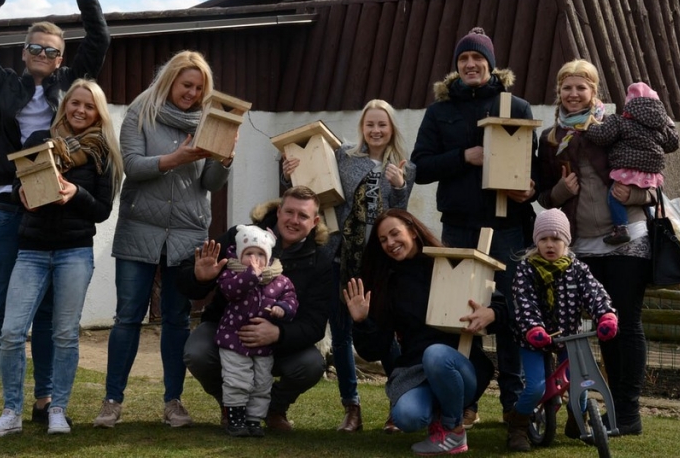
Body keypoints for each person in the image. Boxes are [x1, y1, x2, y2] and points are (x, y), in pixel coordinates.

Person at [0, 0, 110, 431]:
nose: (44, 56)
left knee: (48, 316)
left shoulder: (71, 89)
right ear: (24, 53)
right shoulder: (1, 84)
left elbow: (100, 38)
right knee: (0, 308)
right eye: (36, 49)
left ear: (62, 58)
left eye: (53, 50)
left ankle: (45, 402)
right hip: (9, 209)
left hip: (57, 216)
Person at [94, 50, 232, 429]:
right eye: (186, 84)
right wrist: (176, 157)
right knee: (127, 318)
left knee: (175, 319)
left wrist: (224, 160)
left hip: (187, 233)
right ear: (170, 80)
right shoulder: (141, 112)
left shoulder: (209, 121)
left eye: (199, 88)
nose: (192, 93)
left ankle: (173, 402)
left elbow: (209, 184)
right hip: (140, 229)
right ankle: (111, 402)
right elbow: (132, 167)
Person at [0, 80, 123, 437]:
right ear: (65, 106)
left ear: (98, 113)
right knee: (12, 332)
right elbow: (17, 185)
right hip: (31, 250)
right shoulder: (39, 141)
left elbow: (103, 211)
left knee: (64, 334)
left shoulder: (103, 153)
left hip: (75, 251)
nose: (80, 110)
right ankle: (12, 412)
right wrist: (22, 194)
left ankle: (57, 409)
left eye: (89, 107)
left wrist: (75, 192)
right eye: (75, 103)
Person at [411, 26, 537, 423]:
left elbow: (528, 169)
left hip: (507, 228)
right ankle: (466, 399)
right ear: (456, 67)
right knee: (459, 315)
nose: (470, 64)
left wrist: (528, 190)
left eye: (477, 59)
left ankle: (514, 409)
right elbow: (421, 167)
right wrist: (463, 157)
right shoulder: (440, 111)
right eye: (464, 59)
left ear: (490, 65)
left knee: (511, 315)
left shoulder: (514, 107)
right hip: (460, 229)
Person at [282, 98, 416, 432]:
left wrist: (399, 186)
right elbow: (315, 190)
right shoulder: (345, 157)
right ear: (362, 128)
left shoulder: (404, 167)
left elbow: (401, 216)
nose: (376, 130)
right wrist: (289, 176)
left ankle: (398, 404)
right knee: (341, 335)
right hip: (340, 258)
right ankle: (351, 408)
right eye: (370, 124)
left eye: (382, 124)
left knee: (385, 333)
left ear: (391, 128)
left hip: (379, 261)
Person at [536, 59, 654, 436]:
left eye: (580, 87)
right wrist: (558, 192)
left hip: (627, 238)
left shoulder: (618, 128)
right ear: (559, 92)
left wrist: (632, 192)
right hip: (582, 244)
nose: (573, 94)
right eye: (566, 88)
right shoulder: (551, 139)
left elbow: (653, 181)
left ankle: (628, 412)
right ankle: (602, 410)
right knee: (602, 327)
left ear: (594, 91)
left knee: (627, 324)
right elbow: (541, 193)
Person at [344, 209, 503, 456]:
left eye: (394, 234)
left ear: (412, 230)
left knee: (436, 354)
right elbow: (374, 348)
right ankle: (440, 416)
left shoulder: (450, 263)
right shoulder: (389, 283)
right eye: (383, 240)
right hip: (416, 370)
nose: (390, 243)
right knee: (407, 416)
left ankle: (453, 431)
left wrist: (492, 313)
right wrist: (362, 322)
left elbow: (502, 304)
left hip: (460, 367)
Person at [178, 186, 334, 432]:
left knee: (311, 364)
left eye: (302, 216)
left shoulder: (321, 261)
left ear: (314, 221)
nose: (294, 220)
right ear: (279, 210)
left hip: (280, 343)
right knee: (196, 352)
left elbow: (314, 324)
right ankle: (232, 407)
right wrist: (200, 278)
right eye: (289, 212)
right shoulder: (242, 236)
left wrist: (278, 333)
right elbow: (188, 279)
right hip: (227, 331)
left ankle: (274, 409)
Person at [508, 208, 618, 452]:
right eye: (544, 239)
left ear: (566, 242)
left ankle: (577, 419)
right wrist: (533, 327)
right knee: (536, 387)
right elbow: (524, 302)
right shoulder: (527, 270)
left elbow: (594, 293)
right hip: (533, 339)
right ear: (536, 241)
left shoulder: (577, 269)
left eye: (556, 239)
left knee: (581, 381)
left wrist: (606, 316)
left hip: (570, 337)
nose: (550, 244)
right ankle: (518, 425)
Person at [215, 225, 299, 438]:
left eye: (260, 254)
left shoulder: (280, 280)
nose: (255, 258)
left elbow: (291, 299)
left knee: (262, 383)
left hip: (264, 345)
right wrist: (252, 275)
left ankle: (254, 420)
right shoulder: (232, 273)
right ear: (239, 254)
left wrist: (283, 309)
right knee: (237, 380)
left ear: (269, 257)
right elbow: (230, 291)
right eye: (249, 253)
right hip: (234, 340)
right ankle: (235, 419)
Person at [584, 81, 679, 245]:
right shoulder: (660, 128)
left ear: (630, 104)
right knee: (637, 198)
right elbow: (673, 144)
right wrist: (669, 124)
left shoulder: (621, 122)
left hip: (627, 168)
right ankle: (637, 223)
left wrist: (590, 127)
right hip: (651, 172)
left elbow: (603, 136)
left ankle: (620, 228)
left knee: (614, 197)